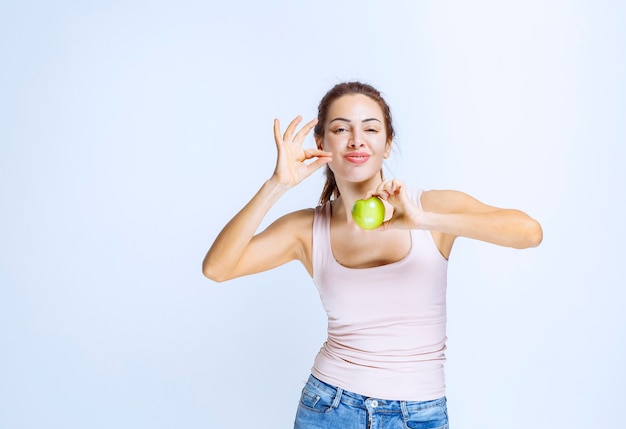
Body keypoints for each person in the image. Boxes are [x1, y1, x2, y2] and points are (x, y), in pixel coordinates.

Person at [202, 81, 543, 429]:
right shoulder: (306, 229)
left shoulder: (431, 207)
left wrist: (424, 220)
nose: (356, 139)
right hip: (329, 407)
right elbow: (217, 268)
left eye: (370, 128)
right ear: (320, 145)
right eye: (340, 129)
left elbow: (529, 233)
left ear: (387, 144)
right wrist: (277, 184)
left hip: (419, 413)